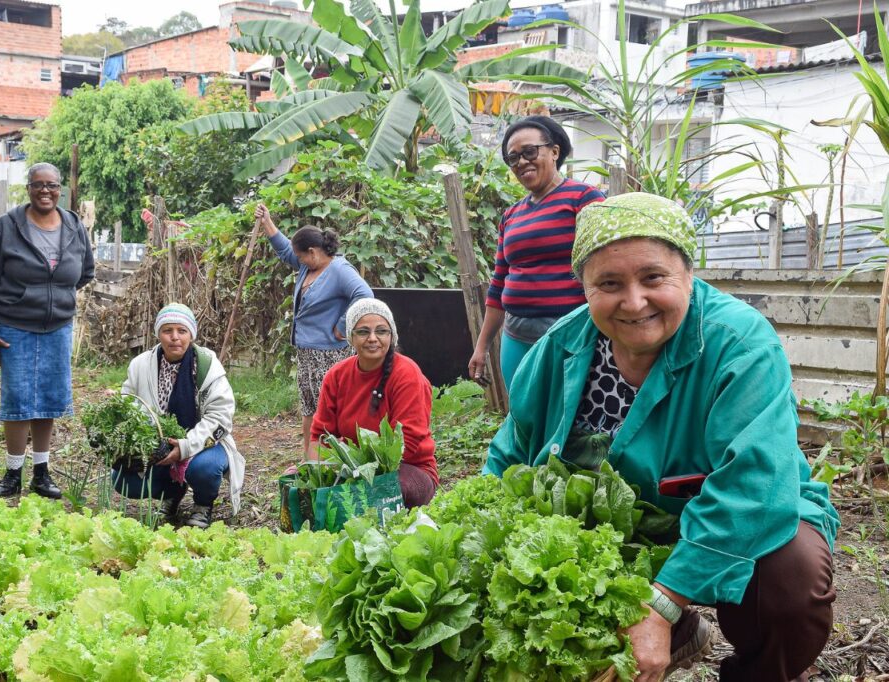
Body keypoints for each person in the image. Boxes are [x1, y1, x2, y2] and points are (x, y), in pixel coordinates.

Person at [484, 192, 839, 682]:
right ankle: (679, 632)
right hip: (615, 529)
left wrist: (661, 602)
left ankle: (761, 670)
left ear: (688, 274)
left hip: (732, 515)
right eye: (608, 283)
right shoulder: (558, 347)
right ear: (583, 288)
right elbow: (509, 456)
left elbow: (753, 488)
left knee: (789, 580)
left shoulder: (739, 343)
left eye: (653, 277)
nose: (633, 302)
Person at [0, 162, 95, 499]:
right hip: (14, 327)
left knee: (49, 401)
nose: (45, 191)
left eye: (52, 185)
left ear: (59, 189)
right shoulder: (7, 228)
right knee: (18, 401)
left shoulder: (73, 225)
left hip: (57, 328)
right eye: (38, 184)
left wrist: (58, 297)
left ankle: (41, 473)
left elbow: (85, 272)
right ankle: (13, 473)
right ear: (28, 188)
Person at [469, 115, 605, 390]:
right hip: (516, 334)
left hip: (571, 334)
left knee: (569, 417)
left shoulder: (584, 199)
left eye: (530, 152)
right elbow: (498, 284)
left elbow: (606, 268)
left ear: (554, 151)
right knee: (522, 415)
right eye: (513, 158)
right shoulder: (511, 215)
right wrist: (481, 347)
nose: (521, 162)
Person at [113, 303, 246, 528]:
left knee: (205, 469)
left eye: (182, 331)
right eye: (167, 331)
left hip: (204, 444)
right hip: (159, 446)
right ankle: (172, 493)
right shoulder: (140, 366)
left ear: (191, 335)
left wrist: (185, 447)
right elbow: (129, 404)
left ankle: (203, 505)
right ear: (158, 334)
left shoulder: (206, 365)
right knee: (123, 478)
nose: (175, 337)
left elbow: (221, 417)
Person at [255, 203, 373, 454]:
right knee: (309, 407)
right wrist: (267, 223)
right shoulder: (309, 266)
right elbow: (287, 250)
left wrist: (343, 326)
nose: (297, 261)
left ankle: (332, 460)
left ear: (313, 251)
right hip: (307, 353)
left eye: (301, 257)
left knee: (328, 410)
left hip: (329, 354)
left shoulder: (339, 270)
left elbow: (365, 295)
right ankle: (309, 460)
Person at [309, 298, 438, 508]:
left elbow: (409, 443)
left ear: (392, 336)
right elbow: (319, 436)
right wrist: (317, 475)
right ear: (350, 337)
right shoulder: (337, 375)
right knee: (297, 482)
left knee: (377, 491)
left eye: (381, 331)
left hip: (407, 469)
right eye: (362, 332)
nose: (372, 338)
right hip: (350, 468)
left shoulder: (407, 374)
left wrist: (360, 474)